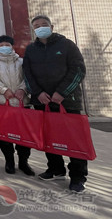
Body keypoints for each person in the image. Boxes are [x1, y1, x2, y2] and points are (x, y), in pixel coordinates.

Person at [23, 15, 87, 193]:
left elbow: (79, 70)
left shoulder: (66, 45)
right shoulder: (31, 50)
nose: (41, 27)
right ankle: (56, 168)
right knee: (49, 137)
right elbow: (27, 74)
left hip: (67, 102)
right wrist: (37, 93)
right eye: (37, 26)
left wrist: (62, 93)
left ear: (52, 26)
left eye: (44, 25)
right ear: (33, 30)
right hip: (42, 102)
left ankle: (78, 176)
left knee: (73, 140)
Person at [0, 35, 35, 176]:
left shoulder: (21, 62)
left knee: (24, 136)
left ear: (12, 46)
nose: (4, 47)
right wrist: (3, 90)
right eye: (1, 45)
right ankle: (9, 161)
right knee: (4, 136)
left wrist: (22, 89)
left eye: (7, 44)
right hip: (0, 103)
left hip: (21, 103)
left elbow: (28, 77)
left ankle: (24, 162)